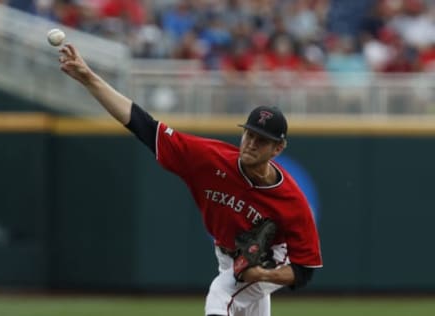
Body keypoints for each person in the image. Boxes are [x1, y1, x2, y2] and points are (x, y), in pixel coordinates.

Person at [58, 43, 322, 316]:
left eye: (262, 141)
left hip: (270, 260)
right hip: (227, 257)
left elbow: (304, 271)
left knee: (221, 295)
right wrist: (89, 78)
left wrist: (262, 274)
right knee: (234, 289)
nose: (251, 144)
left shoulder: (291, 200)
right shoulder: (210, 159)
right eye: (249, 134)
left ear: (277, 149)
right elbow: (144, 126)